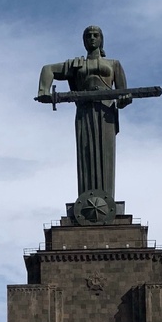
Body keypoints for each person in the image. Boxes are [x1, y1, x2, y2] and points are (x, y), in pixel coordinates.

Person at [38, 25, 130, 201]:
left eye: (96, 35)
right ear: (84, 41)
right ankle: (86, 200)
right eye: (89, 36)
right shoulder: (76, 64)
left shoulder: (113, 64)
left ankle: (106, 200)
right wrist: (44, 90)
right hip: (84, 112)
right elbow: (48, 69)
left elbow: (123, 95)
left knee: (106, 154)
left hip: (105, 113)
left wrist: (124, 99)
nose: (92, 38)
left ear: (102, 39)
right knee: (86, 152)